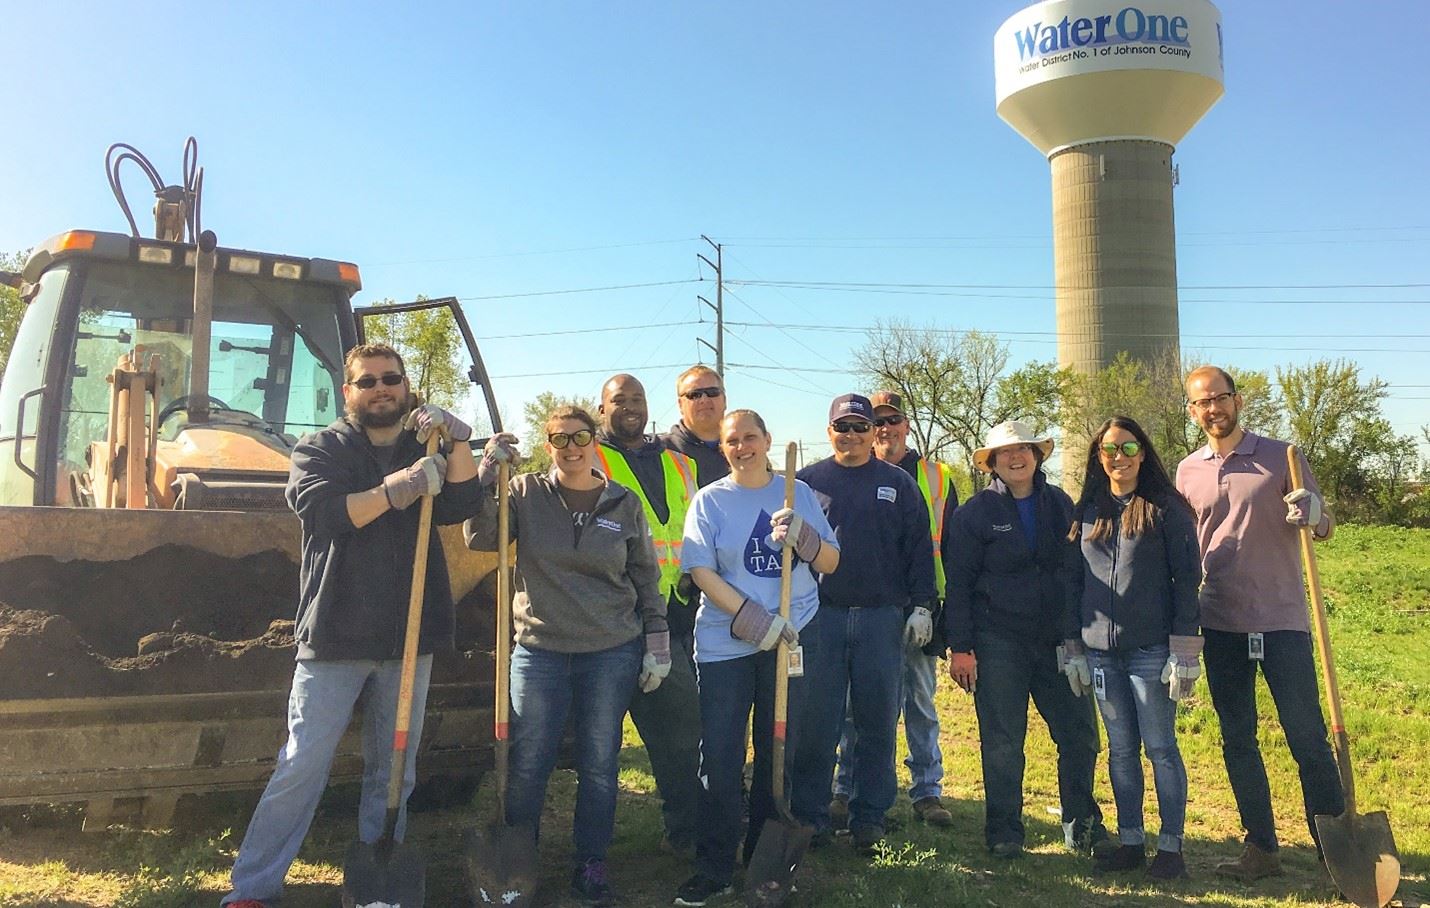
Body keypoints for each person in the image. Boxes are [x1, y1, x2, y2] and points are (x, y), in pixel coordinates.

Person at [221, 343, 484, 908]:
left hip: (410, 638)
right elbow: (325, 514)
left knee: (394, 769)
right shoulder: (321, 448)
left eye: (392, 379)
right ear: (349, 392)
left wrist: (459, 440)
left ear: (406, 386)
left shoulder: (426, 444)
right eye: (368, 382)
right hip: (335, 634)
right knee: (302, 764)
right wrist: (399, 489)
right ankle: (253, 887)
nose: (381, 389)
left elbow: (463, 504)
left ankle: (377, 876)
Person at [465, 405, 667, 906]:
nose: (572, 447)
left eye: (580, 437)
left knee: (600, 761)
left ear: (594, 440)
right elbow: (480, 537)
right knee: (529, 760)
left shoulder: (623, 503)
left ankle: (591, 862)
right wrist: (487, 474)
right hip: (541, 651)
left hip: (610, 651)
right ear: (548, 442)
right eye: (560, 439)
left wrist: (657, 638)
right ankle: (518, 861)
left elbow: (644, 575)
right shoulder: (524, 493)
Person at [1175, 365, 1344, 882]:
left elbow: (1327, 528)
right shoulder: (1187, 471)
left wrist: (1315, 512)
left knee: (1307, 737)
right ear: (1191, 411)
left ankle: (1333, 850)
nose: (1213, 409)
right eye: (1202, 403)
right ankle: (1261, 848)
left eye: (1220, 399)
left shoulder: (1282, 457)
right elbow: (1183, 550)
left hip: (1282, 620)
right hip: (1220, 621)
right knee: (1238, 738)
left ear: (1237, 400)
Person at [672, 409, 840, 907]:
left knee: (777, 754)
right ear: (722, 448)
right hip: (727, 645)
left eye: (750, 437)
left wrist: (805, 539)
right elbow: (700, 570)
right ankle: (714, 866)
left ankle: (762, 860)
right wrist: (749, 616)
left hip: (789, 640)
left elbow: (831, 560)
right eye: (731, 440)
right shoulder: (711, 500)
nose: (742, 446)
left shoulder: (798, 493)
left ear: (767, 440)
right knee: (720, 757)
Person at [942, 420, 1108, 860]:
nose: (1016, 458)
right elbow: (957, 584)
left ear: (1038, 456)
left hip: (1057, 641)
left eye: (1024, 450)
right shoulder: (974, 514)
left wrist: (1078, 638)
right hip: (998, 640)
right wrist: (960, 647)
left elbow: (1077, 572)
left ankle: (1083, 825)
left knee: (1079, 735)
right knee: (1001, 741)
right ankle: (1004, 831)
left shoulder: (1060, 504)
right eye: (1005, 453)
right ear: (992, 463)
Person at [794, 393, 937, 854]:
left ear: (874, 431)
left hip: (881, 619)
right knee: (819, 723)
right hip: (822, 619)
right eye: (844, 427)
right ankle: (813, 815)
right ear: (829, 429)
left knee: (878, 721)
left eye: (861, 427)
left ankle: (869, 815)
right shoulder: (804, 483)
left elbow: (919, 551)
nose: (852, 436)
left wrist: (922, 606)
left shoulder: (898, 483)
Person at [1063, 416, 1203, 880]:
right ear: (1097, 457)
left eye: (1127, 448)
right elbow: (1073, 582)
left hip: (1151, 651)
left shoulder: (1166, 507)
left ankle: (1171, 848)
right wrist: (1074, 647)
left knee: (1160, 747)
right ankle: (1130, 841)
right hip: (1100, 652)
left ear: (1143, 452)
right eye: (1109, 450)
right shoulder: (1088, 510)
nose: (1118, 458)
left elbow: (1188, 579)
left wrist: (1184, 651)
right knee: (1120, 751)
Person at [831, 390, 959, 830]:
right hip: (869, 611)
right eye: (876, 421)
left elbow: (945, 547)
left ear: (907, 425)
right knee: (856, 707)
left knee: (920, 701)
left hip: (919, 610)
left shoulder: (935, 476)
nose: (884, 428)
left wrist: (928, 607)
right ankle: (845, 791)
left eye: (892, 420)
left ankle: (927, 790)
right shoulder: (844, 473)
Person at [595, 372, 704, 857]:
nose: (630, 407)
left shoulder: (680, 464)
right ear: (603, 410)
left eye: (637, 398)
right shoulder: (589, 457)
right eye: (619, 400)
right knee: (596, 746)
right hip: (608, 622)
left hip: (673, 621)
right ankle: (589, 846)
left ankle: (684, 830)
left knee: (681, 735)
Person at [661, 364, 730, 487]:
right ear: (680, 404)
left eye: (712, 392)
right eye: (694, 394)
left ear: (724, 400)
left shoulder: (743, 449)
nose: (704, 399)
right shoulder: (661, 451)